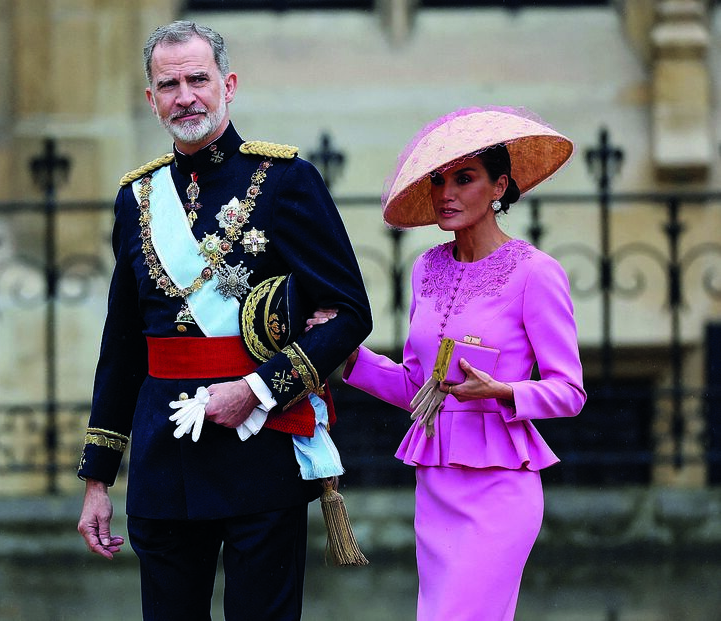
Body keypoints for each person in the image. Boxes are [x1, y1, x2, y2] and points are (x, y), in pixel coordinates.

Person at [76, 20, 372, 621]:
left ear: (228, 85)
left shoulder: (288, 181)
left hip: (257, 448)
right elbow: (123, 346)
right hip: (165, 456)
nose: (185, 96)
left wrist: (258, 390)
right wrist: (98, 477)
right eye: (169, 84)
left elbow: (351, 313)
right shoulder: (136, 200)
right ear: (150, 98)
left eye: (197, 79)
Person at [334, 106, 586, 620]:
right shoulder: (426, 267)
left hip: (500, 490)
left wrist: (501, 391)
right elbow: (416, 387)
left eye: (465, 178)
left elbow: (570, 392)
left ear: (500, 187)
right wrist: (345, 355)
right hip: (436, 488)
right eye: (439, 180)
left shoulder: (537, 273)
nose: (447, 192)